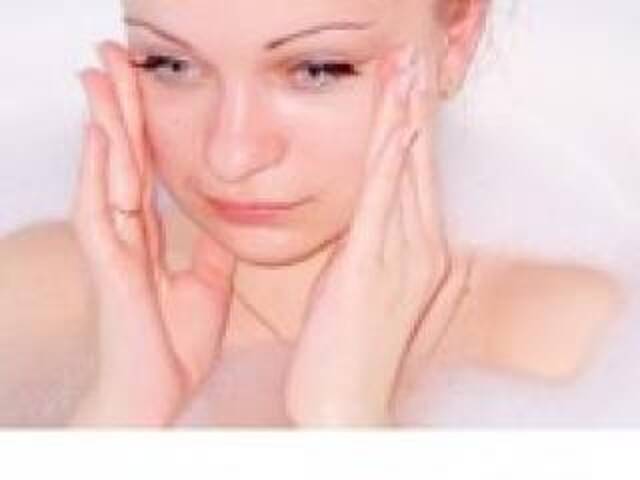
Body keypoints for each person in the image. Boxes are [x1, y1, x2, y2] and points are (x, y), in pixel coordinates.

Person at [0, 0, 624, 427]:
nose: (231, 155)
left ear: (456, 36)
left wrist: (345, 424)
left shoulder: (574, 345)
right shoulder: (29, 294)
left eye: (316, 70)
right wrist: (119, 414)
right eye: (172, 65)